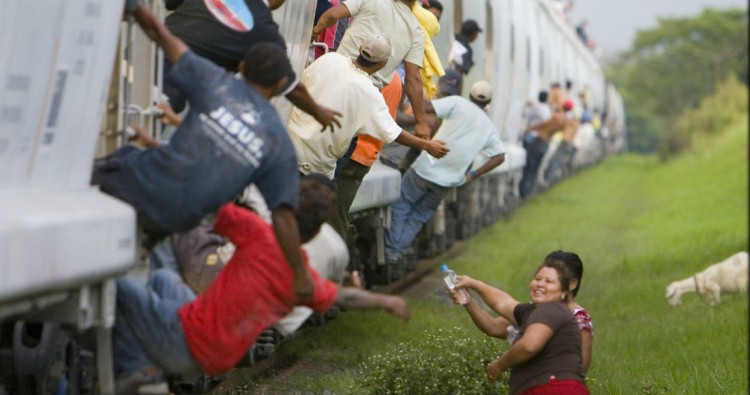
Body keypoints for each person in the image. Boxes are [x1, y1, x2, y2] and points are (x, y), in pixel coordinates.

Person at [94, 3, 315, 300]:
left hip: (139, 183)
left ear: (241, 67)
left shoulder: (214, 84)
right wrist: (299, 276)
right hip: (176, 219)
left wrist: (136, 9)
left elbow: (161, 34)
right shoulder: (279, 142)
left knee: (103, 168)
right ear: (279, 84)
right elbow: (283, 216)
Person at [113, 175, 411, 394]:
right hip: (219, 359)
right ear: (316, 231)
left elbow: (208, 202)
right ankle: (150, 360)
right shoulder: (303, 279)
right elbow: (345, 297)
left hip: (187, 340)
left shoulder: (258, 234)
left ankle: (142, 372)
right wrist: (386, 301)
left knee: (120, 286)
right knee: (164, 281)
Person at [312, 0, 433, 239]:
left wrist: (313, 34)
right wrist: (421, 123)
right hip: (360, 101)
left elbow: (332, 15)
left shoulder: (328, 62)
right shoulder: (416, 31)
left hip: (330, 78)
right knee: (336, 162)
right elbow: (413, 80)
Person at [288, 34, 448, 180]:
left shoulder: (329, 59)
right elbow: (393, 132)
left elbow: (299, 84)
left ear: (360, 49)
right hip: (313, 165)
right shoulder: (370, 94)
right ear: (383, 62)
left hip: (287, 143)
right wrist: (427, 145)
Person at [162, 0, 341, 130]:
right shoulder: (264, 30)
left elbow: (170, 3)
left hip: (143, 46)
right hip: (168, 83)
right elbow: (292, 88)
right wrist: (318, 112)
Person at [383, 80, 506, 264]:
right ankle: (394, 253)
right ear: (488, 103)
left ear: (470, 94)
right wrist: (473, 175)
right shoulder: (489, 128)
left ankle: (390, 251)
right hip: (449, 181)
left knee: (402, 205)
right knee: (418, 216)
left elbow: (425, 105)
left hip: (424, 169)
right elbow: (500, 156)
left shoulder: (457, 103)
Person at [449, 253, 590, 394]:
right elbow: (502, 304)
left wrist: (499, 365)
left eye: (549, 281)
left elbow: (529, 345)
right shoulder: (533, 312)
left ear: (565, 292)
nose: (540, 283)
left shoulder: (552, 308)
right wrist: (470, 293)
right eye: (537, 279)